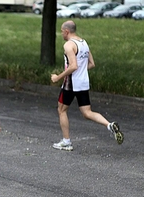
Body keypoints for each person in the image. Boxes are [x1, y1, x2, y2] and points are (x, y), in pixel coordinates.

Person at [50, 20, 123, 151]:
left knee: (61, 110)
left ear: (67, 31)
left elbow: (73, 66)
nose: (61, 34)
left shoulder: (68, 45)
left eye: (61, 31)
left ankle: (66, 141)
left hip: (71, 83)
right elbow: (91, 64)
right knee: (87, 112)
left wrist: (57, 77)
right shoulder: (84, 43)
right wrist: (81, 71)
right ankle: (109, 125)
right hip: (83, 82)